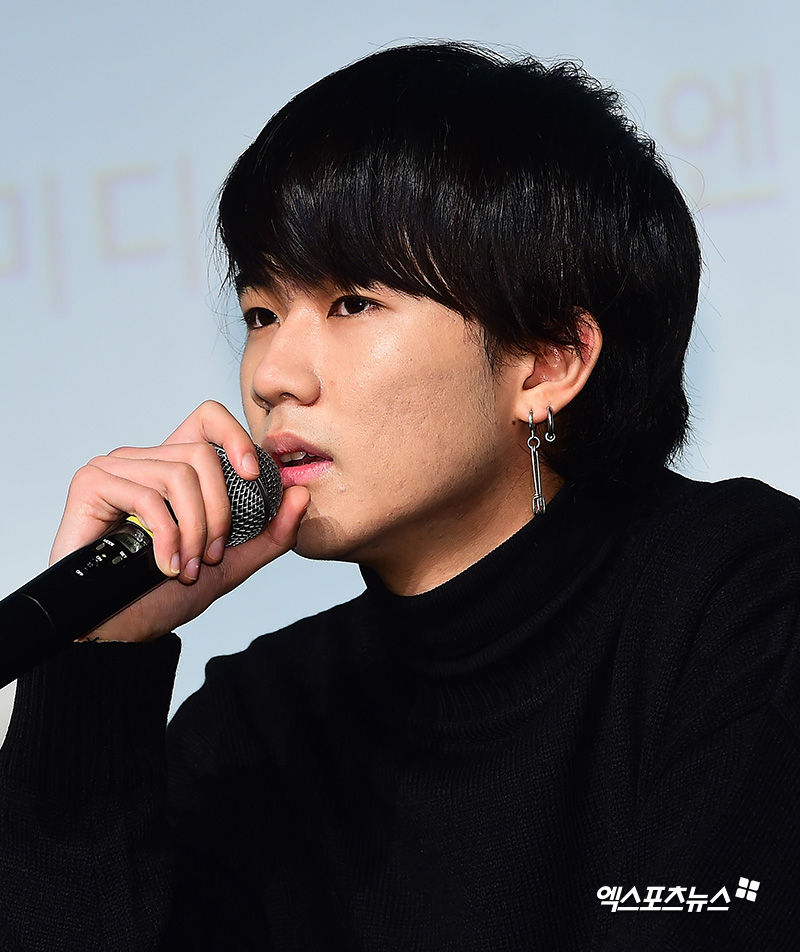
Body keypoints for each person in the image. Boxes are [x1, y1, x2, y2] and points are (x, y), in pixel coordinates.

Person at [0, 41, 798, 951]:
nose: (274, 376)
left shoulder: (744, 601)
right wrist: (98, 668)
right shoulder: (263, 719)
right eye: (261, 313)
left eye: (352, 304)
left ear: (548, 362)